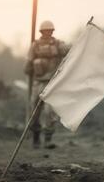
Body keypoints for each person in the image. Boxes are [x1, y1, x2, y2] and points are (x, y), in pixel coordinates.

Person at [24, 20, 70, 149]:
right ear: (41, 32)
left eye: (50, 31)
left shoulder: (58, 44)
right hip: (38, 83)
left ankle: (48, 139)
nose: (48, 33)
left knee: (50, 112)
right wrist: (30, 68)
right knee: (34, 111)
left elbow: (68, 50)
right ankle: (36, 139)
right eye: (46, 31)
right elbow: (28, 64)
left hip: (52, 83)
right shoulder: (35, 46)